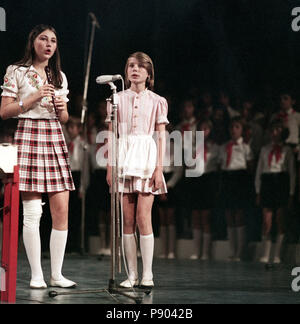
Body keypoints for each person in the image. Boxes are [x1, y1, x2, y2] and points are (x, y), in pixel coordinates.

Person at [0, 25, 76, 289]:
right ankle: (36, 275)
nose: (48, 44)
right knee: (32, 213)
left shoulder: (59, 76)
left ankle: (57, 274)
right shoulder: (16, 71)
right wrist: (31, 98)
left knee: (61, 211)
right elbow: (4, 111)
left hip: (54, 136)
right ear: (33, 42)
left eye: (53, 40)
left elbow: (64, 119)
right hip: (29, 134)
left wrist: (62, 108)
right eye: (43, 39)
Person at [106, 52, 169, 288]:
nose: (135, 70)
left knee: (144, 217)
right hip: (124, 156)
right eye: (131, 65)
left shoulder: (157, 100)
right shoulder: (116, 99)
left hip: (145, 156)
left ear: (149, 73)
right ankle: (131, 274)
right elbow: (112, 134)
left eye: (141, 67)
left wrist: (159, 169)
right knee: (128, 219)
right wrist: (110, 165)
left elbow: (161, 135)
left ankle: (147, 274)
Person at [255, 122, 296, 264]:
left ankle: (277, 254)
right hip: (267, 182)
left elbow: (291, 173)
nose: (275, 132)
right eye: (272, 130)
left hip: (281, 182)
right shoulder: (265, 149)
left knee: (280, 219)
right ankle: (265, 254)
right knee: (266, 220)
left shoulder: (287, 150)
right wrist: (258, 190)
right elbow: (259, 170)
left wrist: (291, 192)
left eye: (278, 129)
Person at [219, 117, 253, 261]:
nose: (234, 130)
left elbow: (250, 167)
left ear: (242, 130)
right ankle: (232, 252)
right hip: (227, 178)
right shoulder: (224, 146)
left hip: (240, 179)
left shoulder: (246, 147)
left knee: (239, 215)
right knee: (229, 215)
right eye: (232, 127)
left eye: (237, 127)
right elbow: (221, 164)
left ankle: (240, 252)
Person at [189, 119, 219, 260]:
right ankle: (196, 251)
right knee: (196, 216)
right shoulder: (193, 147)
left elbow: (217, 166)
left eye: (207, 128)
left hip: (208, 180)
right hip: (196, 180)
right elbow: (189, 165)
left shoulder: (215, 147)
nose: (204, 131)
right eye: (202, 128)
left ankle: (206, 253)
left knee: (206, 217)